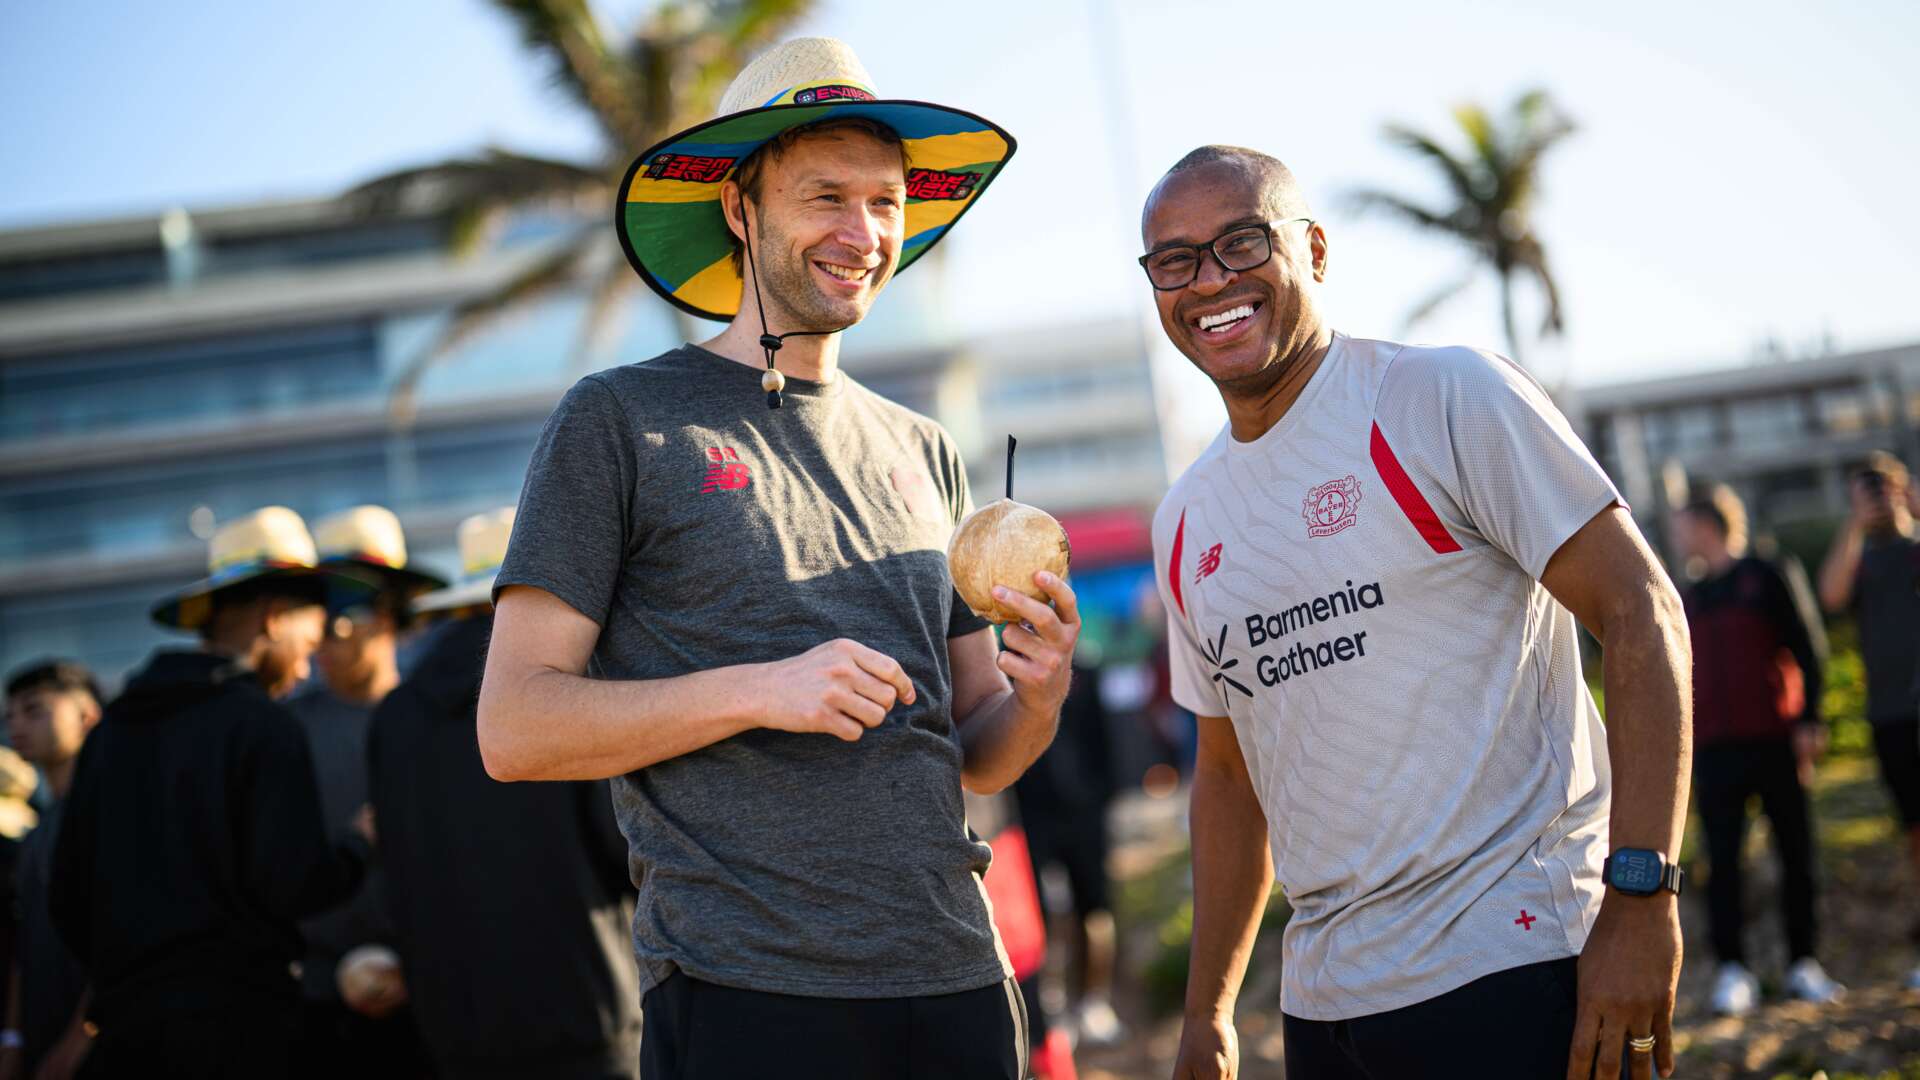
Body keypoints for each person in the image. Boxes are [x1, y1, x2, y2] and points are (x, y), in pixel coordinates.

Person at [477, 38, 1071, 1080]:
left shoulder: (925, 449)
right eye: (826, 198)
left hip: (959, 979)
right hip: (748, 995)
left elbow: (978, 750)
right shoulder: (621, 421)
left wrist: (1038, 695)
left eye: (887, 203)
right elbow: (515, 726)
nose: (865, 233)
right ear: (740, 211)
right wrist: (763, 689)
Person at [1141, 146, 1692, 1080]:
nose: (1210, 282)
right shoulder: (1185, 518)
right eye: (1175, 262)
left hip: (1519, 962)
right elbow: (1229, 777)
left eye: (1241, 244)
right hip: (1325, 1010)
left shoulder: (1439, 396)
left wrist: (1643, 902)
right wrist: (1209, 1012)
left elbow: (1642, 613)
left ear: (1312, 250)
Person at [49, 506, 375, 1079]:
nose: (307, 667)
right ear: (274, 619)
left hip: (128, 1034)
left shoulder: (113, 729)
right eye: (309, 638)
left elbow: (66, 894)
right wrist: (359, 844)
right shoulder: (262, 725)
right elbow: (293, 884)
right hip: (241, 1030)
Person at [368, 508, 640, 1078]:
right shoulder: (567, 693)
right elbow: (627, 850)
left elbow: (395, 868)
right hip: (587, 1015)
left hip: (456, 1031)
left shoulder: (394, 717)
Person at [1672, 486, 1843, 1013]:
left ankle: (1803, 964)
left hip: (1774, 739)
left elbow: (1808, 646)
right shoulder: (1691, 595)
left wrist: (1810, 719)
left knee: (1796, 852)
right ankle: (1734, 971)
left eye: (1684, 526)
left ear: (1708, 525)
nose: (1678, 537)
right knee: (1721, 862)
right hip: (1716, 750)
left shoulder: (1768, 575)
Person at [287, 506, 443, 1078]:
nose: (321, 642)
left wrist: (410, 962)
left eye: (339, 620)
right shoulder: (287, 730)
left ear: (384, 615)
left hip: (435, 989)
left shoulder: (438, 723)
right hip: (322, 998)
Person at [1816, 451, 1920, 985]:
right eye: (1867, 492)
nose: (1878, 499)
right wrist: (1855, 525)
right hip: (1891, 712)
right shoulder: (1863, 560)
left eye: (1884, 488)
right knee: (1913, 830)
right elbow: (1831, 595)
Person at [1012, 644, 1122, 1047]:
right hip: (1032, 815)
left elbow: (1105, 740)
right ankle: (1049, 1010)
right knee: (1041, 914)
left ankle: (1094, 1002)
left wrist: (1102, 802)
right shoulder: (1005, 670)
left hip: (1085, 812)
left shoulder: (1086, 668)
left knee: (1095, 908)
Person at [0, 661, 100, 1080]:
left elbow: (125, 942)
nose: (16, 725)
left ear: (86, 715)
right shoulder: (37, 829)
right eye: (9, 716)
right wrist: (13, 1040)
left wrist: (82, 1036)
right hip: (42, 1042)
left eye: (34, 710)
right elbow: (26, 947)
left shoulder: (107, 817)